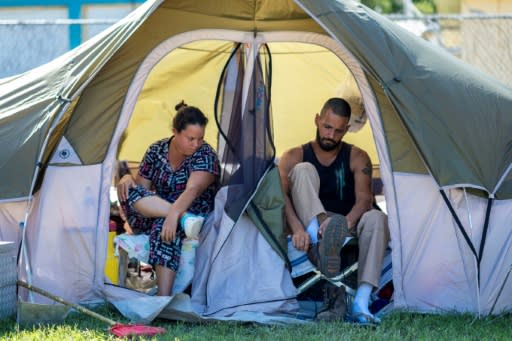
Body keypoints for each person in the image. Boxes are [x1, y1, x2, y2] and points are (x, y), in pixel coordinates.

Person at [278, 97, 390, 324]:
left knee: (377, 217)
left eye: (338, 131)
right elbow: (281, 197)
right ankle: (319, 241)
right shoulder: (293, 156)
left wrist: (344, 223)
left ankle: (361, 302)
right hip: (311, 226)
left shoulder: (357, 156)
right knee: (302, 170)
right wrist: (298, 228)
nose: (331, 135)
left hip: (345, 224)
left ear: (347, 129)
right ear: (317, 120)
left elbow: (364, 200)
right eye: (327, 127)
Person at [117, 101, 220, 296]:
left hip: (194, 212)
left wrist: (172, 216)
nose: (196, 144)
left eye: (200, 138)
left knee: (163, 229)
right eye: (190, 138)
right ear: (175, 131)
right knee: (128, 190)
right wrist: (127, 177)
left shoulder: (206, 155)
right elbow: (142, 191)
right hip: (165, 213)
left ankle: (160, 297)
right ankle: (182, 218)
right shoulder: (156, 150)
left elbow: (192, 190)